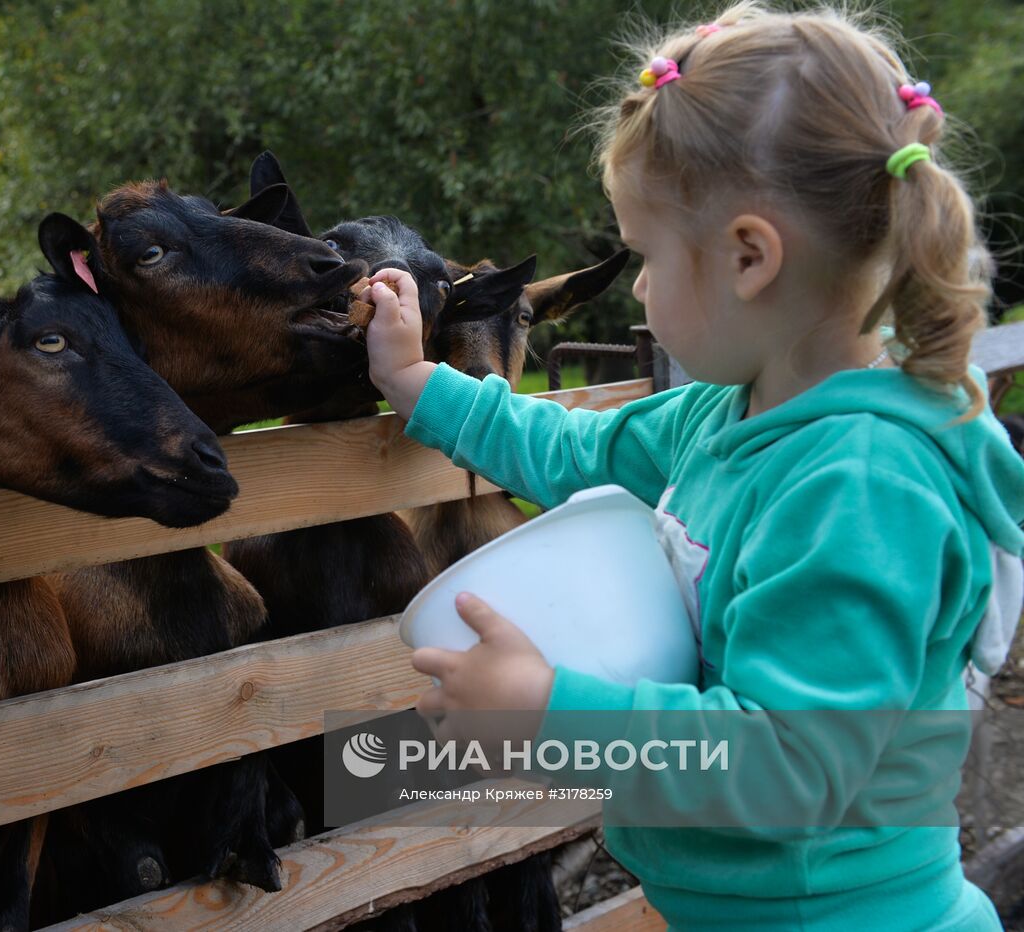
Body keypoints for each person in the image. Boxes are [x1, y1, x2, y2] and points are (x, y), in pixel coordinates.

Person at [362, 4, 1024, 929]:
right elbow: (576, 451)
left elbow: (795, 768)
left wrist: (555, 711)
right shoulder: (729, 410)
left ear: (750, 257)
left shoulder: (861, 484)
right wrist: (420, 383)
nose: (635, 285)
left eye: (644, 255)